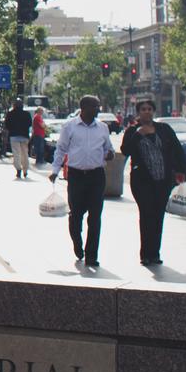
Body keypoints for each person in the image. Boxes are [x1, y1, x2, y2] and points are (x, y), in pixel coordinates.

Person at [120, 100, 186, 267]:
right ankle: (145, 254)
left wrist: (181, 170)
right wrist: (138, 135)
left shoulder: (164, 130)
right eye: (143, 109)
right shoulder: (132, 131)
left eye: (150, 109)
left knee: (158, 216)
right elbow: (125, 150)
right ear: (138, 112)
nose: (147, 112)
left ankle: (155, 253)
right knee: (146, 214)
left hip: (162, 179)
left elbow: (177, 150)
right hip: (141, 180)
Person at [50, 95, 115, 269]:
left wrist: (110, 153)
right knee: (76, 215)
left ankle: (92, 255)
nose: (98, 109)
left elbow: (109, 148)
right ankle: (77, 244)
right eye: (95, 106)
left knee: (95, 216)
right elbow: (61, 149)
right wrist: (55, 171)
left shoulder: (102, 128)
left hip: (96, 176)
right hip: (77, 176)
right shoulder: (70, 127)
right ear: (84, 108)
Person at [5, 97, 34, 178]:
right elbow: (29, 123)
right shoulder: (27, 114)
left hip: (14, 136)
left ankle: (18, 169)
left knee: (16, 153)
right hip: (24, 136)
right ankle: (25, 170)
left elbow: (7, 124)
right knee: (25, 153)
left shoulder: (10, 114)